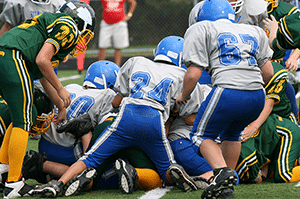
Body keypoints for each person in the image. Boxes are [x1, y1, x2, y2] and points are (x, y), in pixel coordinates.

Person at [32, 35, 199, 198]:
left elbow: (115, 102)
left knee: (90, 159)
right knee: (164, 170)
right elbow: (189, 118)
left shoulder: (136, 61)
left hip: (124, 118)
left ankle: (59, 184)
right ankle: (166, 172)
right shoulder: (183, 76)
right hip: (153, 121)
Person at [176, 0, 274, 198]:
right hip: (257, 95)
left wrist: (183, 96)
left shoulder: (203, 28)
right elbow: (268, 73)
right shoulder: (251, 30)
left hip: (228, 89)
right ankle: (227, 186)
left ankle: (222, 173)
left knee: (200, 136)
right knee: (233, 132)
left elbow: (193, 74)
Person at [0, 0, 95, 198]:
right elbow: (42, 60)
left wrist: (61, 107)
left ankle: (3, 168)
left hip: (7, 53)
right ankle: (14, 184)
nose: (83, 40)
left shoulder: (53, 28)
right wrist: (61, 89)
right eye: (85, 33)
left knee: (25, 114)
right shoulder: (68, 25)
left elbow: (44, 75)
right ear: (81, 23)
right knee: (24, 120)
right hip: (13, 55)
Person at [236, 113, 300, 184]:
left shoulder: (243, 151)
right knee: (272, 171)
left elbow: (258, 179)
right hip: (271, 141)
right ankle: (297, 160)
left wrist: (257, 175)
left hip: (286, 132)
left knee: (284, 175)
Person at [98, 0, 137, 66]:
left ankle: (117, 67)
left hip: (119, 23)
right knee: (102, 46)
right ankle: (100, 67)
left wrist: (129, 15)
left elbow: (133, 2)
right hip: (106, 22)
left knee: (118, 47)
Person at [0, 0, 66, 37]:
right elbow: (8, 27)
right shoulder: (18, 3)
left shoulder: (59, 4)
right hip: (21, 45)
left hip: (46, 46)